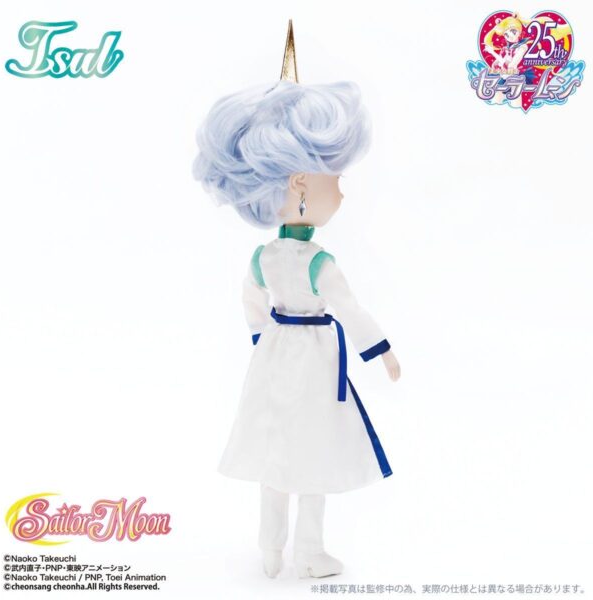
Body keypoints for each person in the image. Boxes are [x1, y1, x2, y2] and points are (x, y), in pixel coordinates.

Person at [192, 21, 401, 579]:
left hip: (276, 354)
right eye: (336, 178)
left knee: (275, 448)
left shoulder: (264, 257)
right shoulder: (318, 263)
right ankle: (309, 551)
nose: (343, 191)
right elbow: (349, 310)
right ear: (301, 184)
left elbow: (250, 301)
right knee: (315, 453)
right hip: (312, 358)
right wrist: (381, 350)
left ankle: (271, 547)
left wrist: (264, 339)